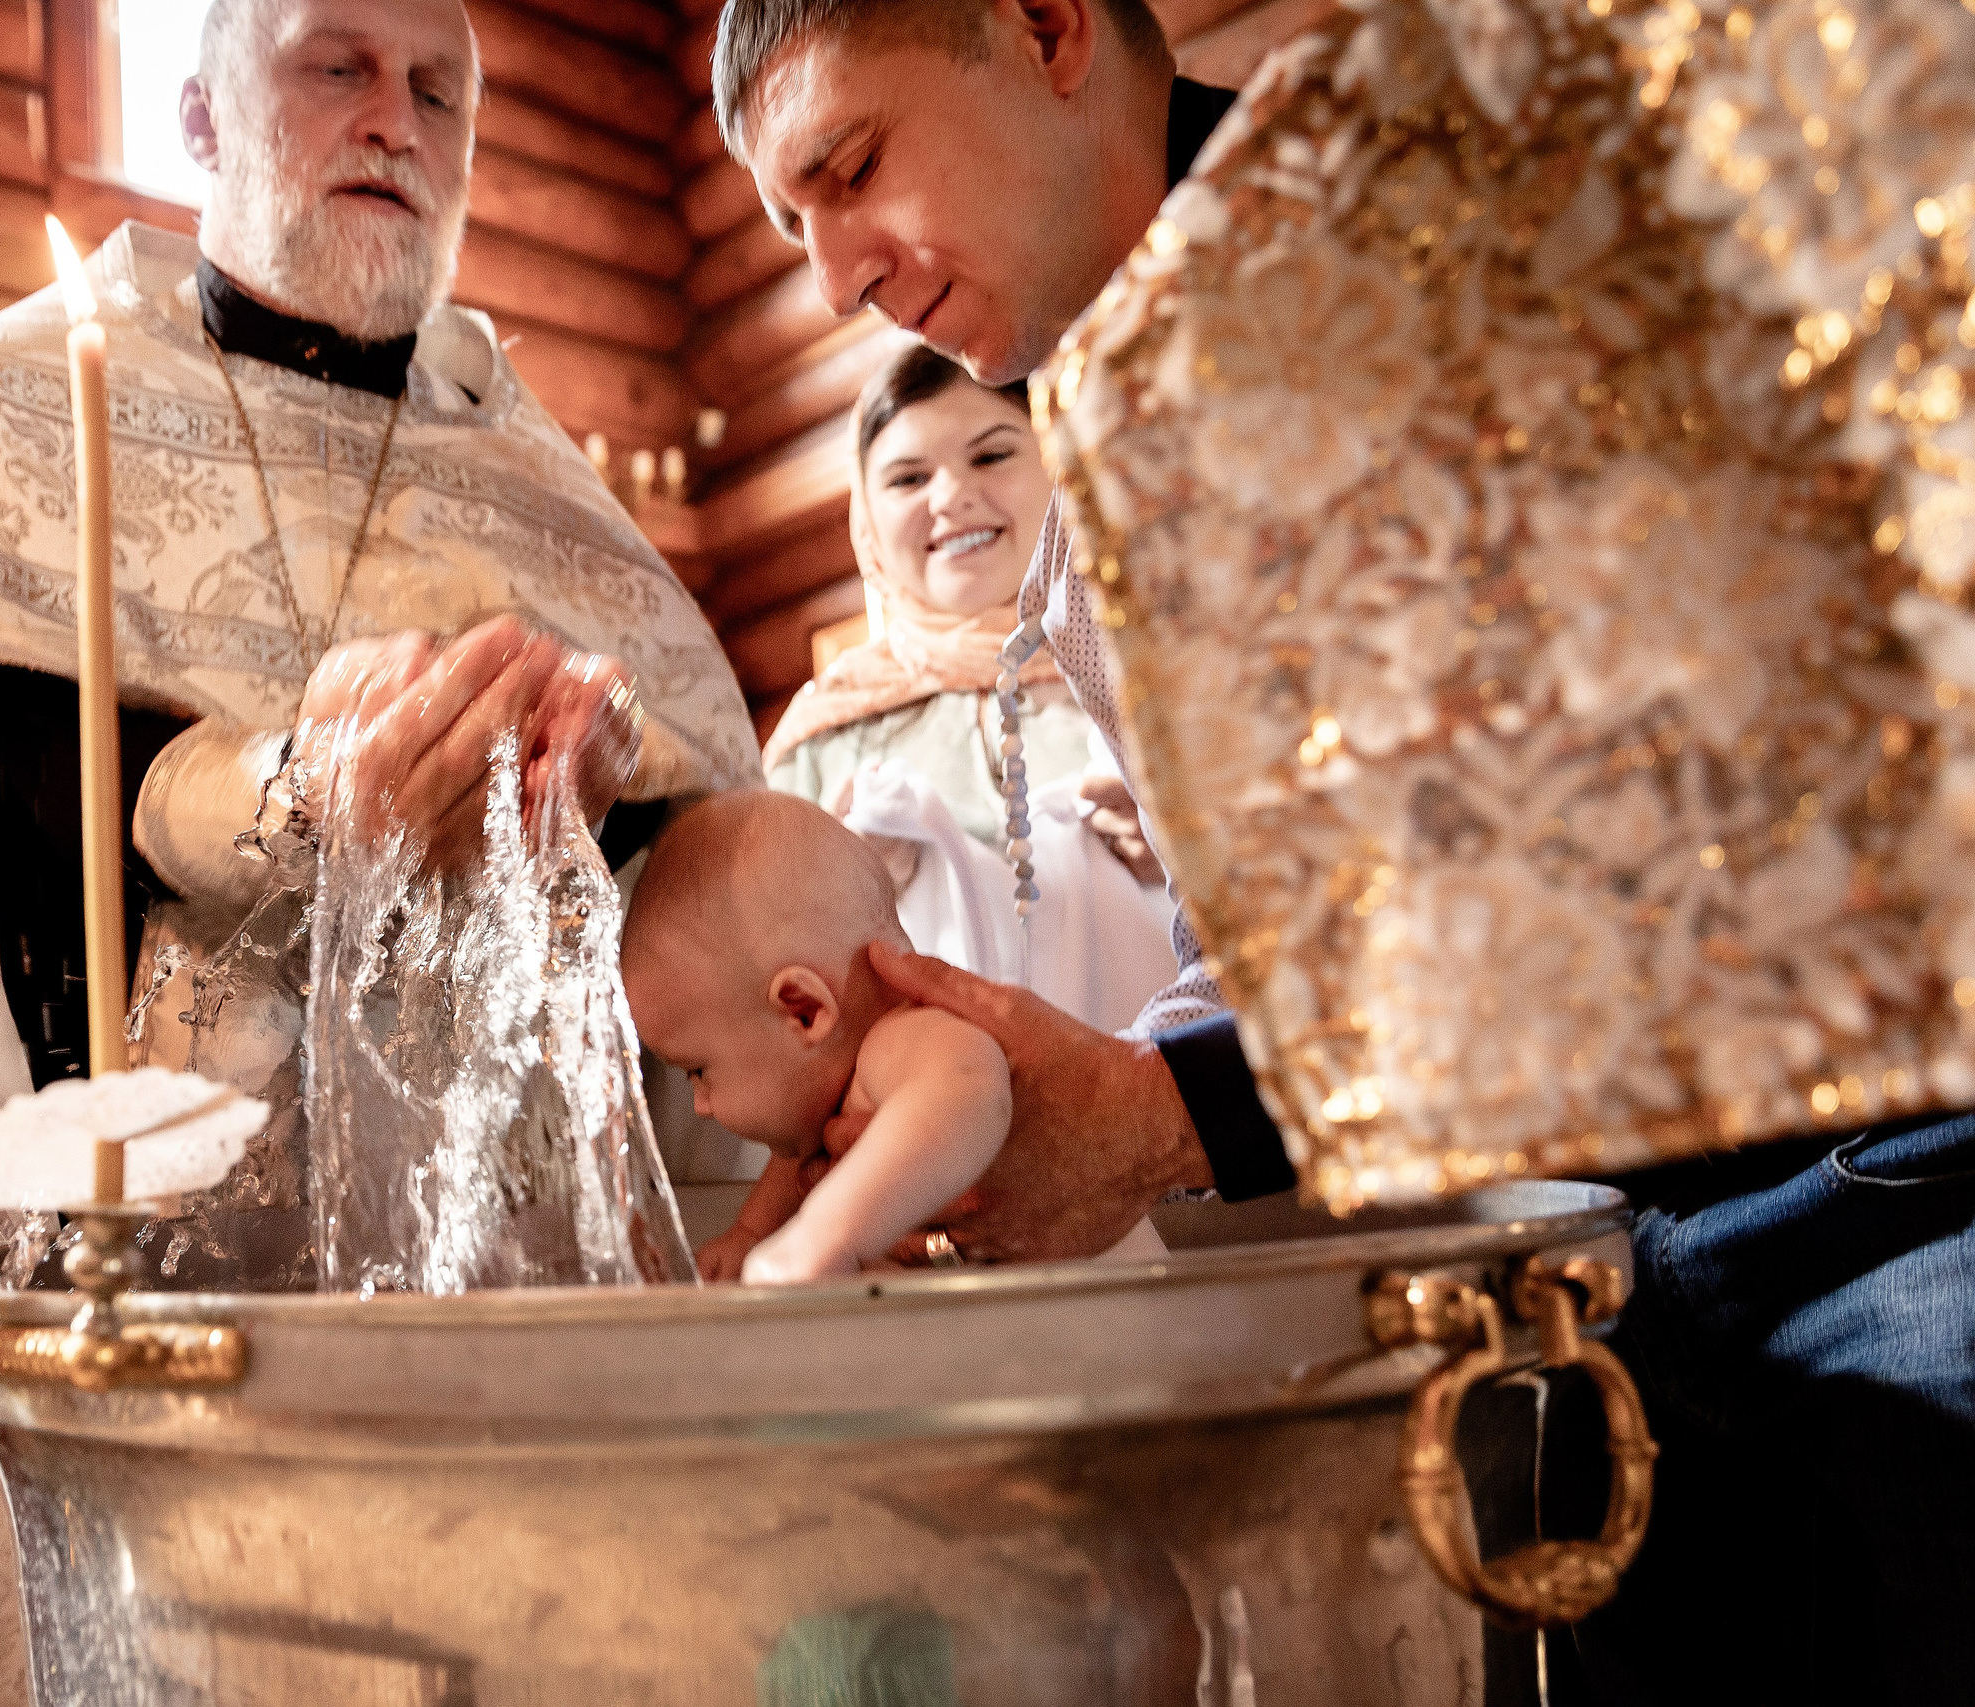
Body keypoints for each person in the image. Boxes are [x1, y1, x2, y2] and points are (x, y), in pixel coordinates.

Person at [711, 1, 1975, 1702]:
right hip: (1568, 1276)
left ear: (1044, 27)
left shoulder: (1456, 183)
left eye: (853, 169)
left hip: (1874, 1201)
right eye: (792, 231)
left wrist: (1174, 1110)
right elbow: (1309, 925)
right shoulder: (1090, 523)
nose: (840, 274)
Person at [0, 1, 756, 1698]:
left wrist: (583, 797)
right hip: (144, 1272)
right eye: (336, 68)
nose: (398, 122)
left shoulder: (555, 505)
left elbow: (693, 851)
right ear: (204, 122)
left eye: (442, 90)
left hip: (485, 1304)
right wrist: (288, 796)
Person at [764, 342, 1175, 1033]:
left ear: (1059, 467)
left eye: (991, 456)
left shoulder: (1155, 675)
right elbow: (769, 998)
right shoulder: (819, 742)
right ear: (865, 515)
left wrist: (1185, 847)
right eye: (906, 479)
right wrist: (828, 903)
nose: (951, 496)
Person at [623, 790, 1012, 1284]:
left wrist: (826, 1235)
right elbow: (798, 1162)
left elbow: (971, 1094)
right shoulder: (833, 1097)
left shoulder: (905, 1038)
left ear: (804, 1010)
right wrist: (749, 1234)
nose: (700, 1104)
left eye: (699, 1071)